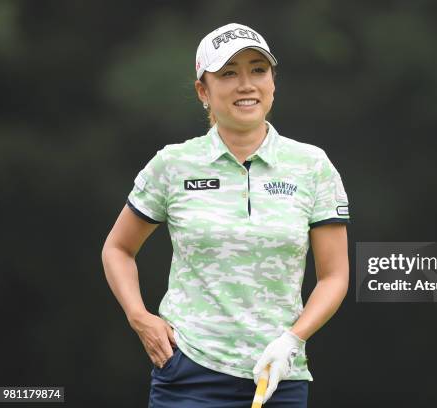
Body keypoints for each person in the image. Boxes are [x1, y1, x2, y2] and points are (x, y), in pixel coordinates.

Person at [101, 22, 350, 407]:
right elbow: (118, 249)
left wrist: (292, 340)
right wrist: (139, 316)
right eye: (229, 73)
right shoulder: (174, 164)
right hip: (189, 372)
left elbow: (334, 276)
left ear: (273, 82)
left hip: (278, 377)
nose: (246, 84)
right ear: (204, 90)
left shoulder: (312, 166)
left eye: (258, 70)